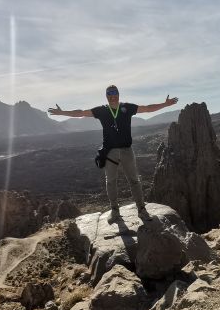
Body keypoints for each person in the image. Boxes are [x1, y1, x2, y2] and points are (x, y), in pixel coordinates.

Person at [48, 85, 179, 223]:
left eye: (114, 93)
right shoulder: (102, 110)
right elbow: (81, 112)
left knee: (134, 181)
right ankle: (115, 211)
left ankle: (142, 210)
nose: (112, 96)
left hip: (127, 150)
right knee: (111, 182)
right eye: (110, 94)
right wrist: (62, 113)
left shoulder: (127, 108)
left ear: (118, 94)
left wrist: (165, 104)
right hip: (110, 151)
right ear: (106, 96)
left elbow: (147, 108)